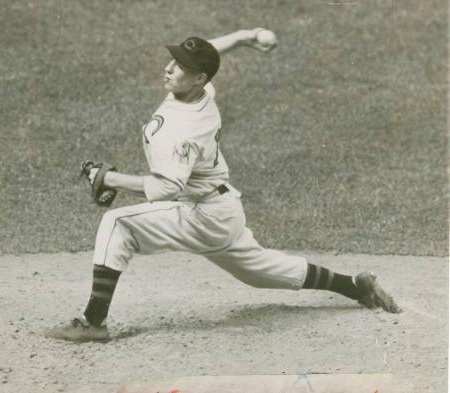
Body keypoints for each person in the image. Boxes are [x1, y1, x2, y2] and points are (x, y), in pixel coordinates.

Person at [45, 28, 400, 343]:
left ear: (198, 78)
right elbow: (210, 51)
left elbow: (168, 187)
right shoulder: (200, 90)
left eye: (179, 66)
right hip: (224, 211)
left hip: (201, 214)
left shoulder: (183, 131)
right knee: (260, 272)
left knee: (117, 225)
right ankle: (354, 286)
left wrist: (107, 179)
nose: (168, 68)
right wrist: (247, 36)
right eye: (172, 60)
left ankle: (93, 322)